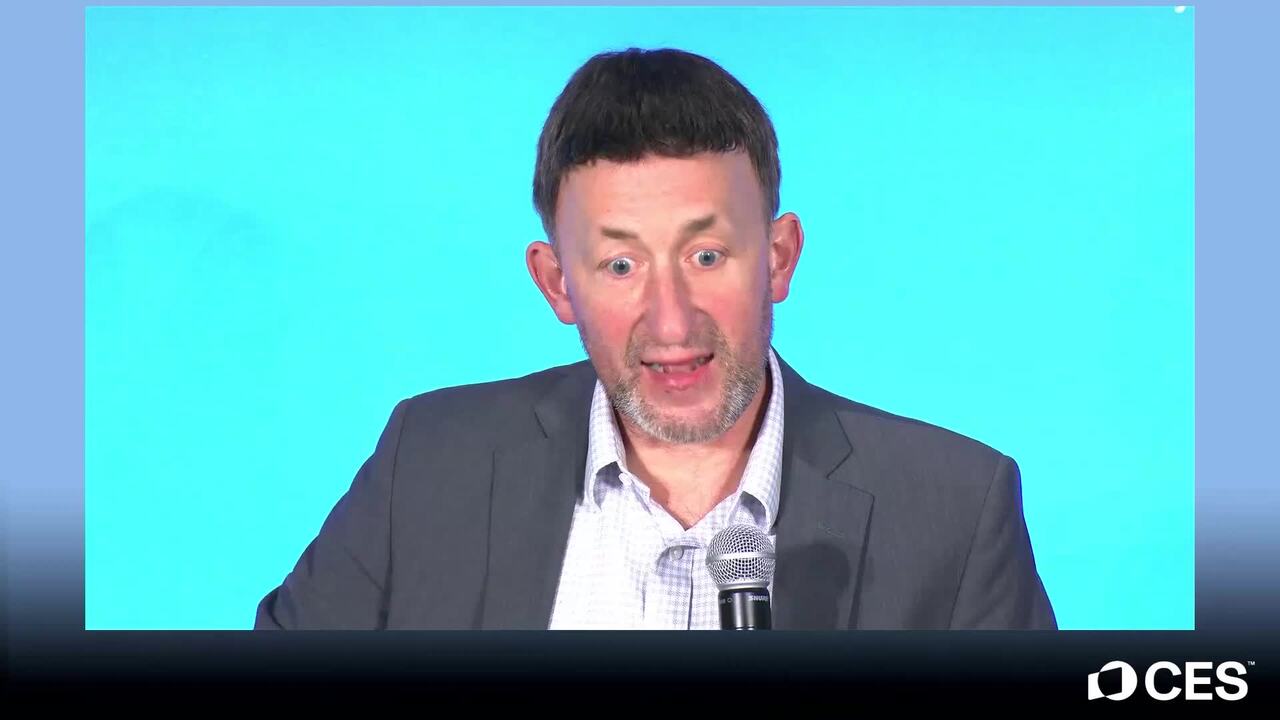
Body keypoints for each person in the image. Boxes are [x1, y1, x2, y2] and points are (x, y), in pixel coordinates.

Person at [254, 47, 1057, 630]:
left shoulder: (953, 510)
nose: (671, 321)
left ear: (778, 259)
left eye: (707, 256)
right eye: (620, 265)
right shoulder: (430, 463)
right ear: (556, 284)